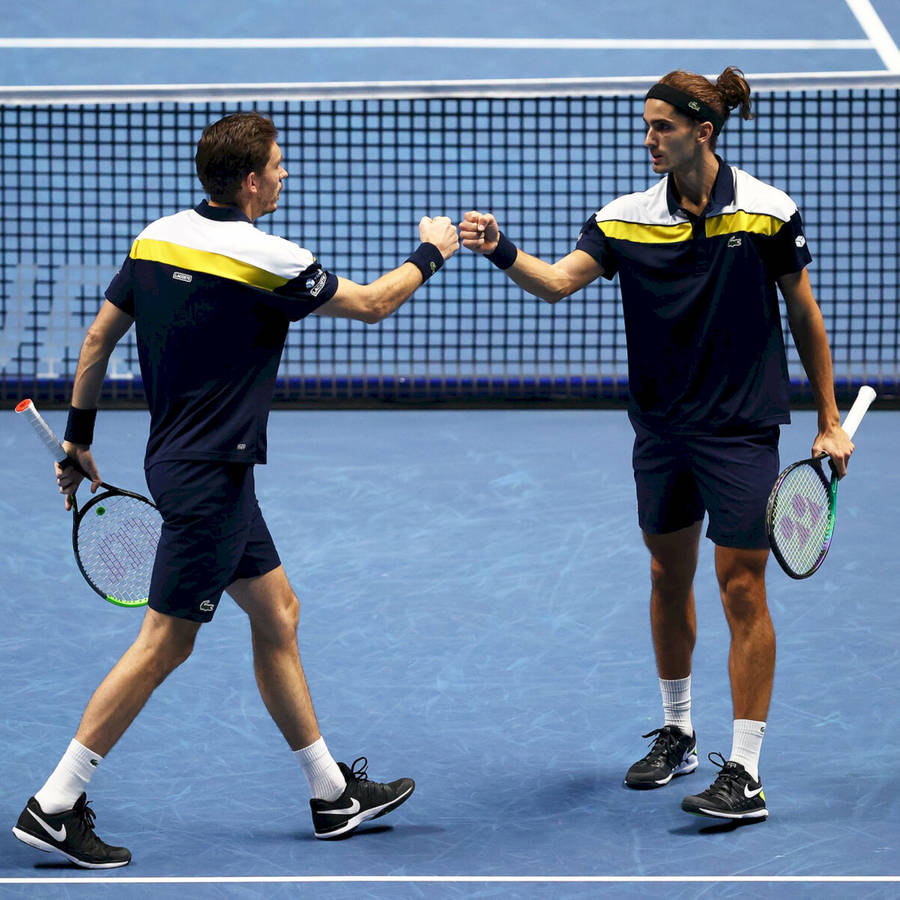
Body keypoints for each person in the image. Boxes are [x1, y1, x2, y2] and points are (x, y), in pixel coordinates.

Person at [12, 111, 459, 867]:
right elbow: (377, 303)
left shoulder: (155, 237)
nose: (285, 175)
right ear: (251, 181)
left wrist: (78, 438)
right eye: (279, 166)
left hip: (187, 463)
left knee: (278, 612)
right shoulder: (271, 257)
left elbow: (96, 341)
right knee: (164, 643)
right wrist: (433, 249)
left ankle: (330, 795)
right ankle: (55, 802)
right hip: (211, 478)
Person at [459, 67, 854, 822]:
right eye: (646, 125)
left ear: (702, 132)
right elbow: (558, 283)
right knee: (665, 578)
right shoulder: (623, 219)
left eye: (661, 126)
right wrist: (502, 248)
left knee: (742, 586)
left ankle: (744, 770)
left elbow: (803, 312)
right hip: (662, 429)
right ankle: (677, 730)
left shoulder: (769, 214)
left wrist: (829, 417)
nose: (648, 138)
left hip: (740, 429)